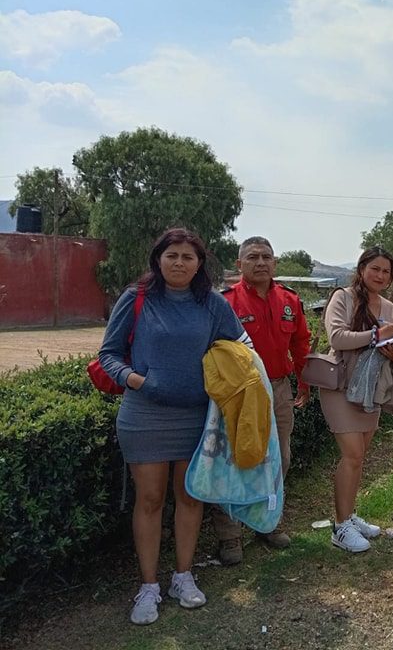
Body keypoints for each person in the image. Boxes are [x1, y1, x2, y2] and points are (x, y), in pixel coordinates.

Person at [98, 228, 251, 625]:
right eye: (172, 256)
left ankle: (183, 577)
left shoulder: (213, 304)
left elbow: (243, 350)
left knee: (191, 497)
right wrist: (136, 380)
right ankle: (148, 586)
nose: (179, 263)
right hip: (145, 415)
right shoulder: (137, 299)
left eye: (188, 256)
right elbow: (109, 354)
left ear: (200, 263)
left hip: (198, 418)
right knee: (149, 500)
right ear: (158, 260)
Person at [213, 236, 311, 564]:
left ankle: (268, 523)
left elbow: (301, 343)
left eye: (267, 257)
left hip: (279, 389)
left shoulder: (289, 300)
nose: (261, 262)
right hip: (239, 394)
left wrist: (304, 382)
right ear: (239, 264)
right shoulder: (225, 302)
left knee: (278, 458)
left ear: (275, 263)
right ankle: (230, 536)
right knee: (233, 461)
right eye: (252, 257)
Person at [319, 247, 393, 553]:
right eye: (375, 269)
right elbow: (337, 338)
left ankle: (349, 515)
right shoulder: (342, 297)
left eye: (386, 271)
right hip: (341, 386)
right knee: (352, 454)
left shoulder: (389, 307)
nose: (380, 276)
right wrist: (376, 336)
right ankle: (340, 528)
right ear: (361, 269)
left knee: (359, 456)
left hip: (372, 388)